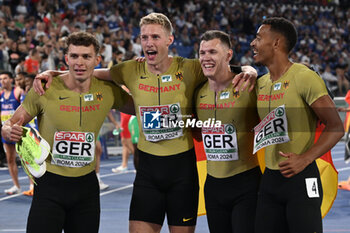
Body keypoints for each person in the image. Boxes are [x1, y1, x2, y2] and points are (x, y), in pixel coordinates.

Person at [33, 13, 257, 233]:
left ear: (169, 40)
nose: (149, 42)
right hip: (148, 171)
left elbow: (222, 68)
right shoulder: (129, 69)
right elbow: (86, 71)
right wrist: (53, 72)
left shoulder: (191, 67)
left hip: (183, 172)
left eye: (155, 37)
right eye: (144, 37)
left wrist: (249, 69)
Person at [1, 31, 133, 233]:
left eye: (86, 57)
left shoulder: (107, 90)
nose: (79, 62)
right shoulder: (44, 89)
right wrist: (8, 131)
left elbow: (143, 106)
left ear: (97, 59)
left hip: (86, 189)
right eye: (74, 56)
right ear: (66, 59)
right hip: (49, 187)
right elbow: (10, 124)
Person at [251, 17, 344, 233]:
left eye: (258, 38)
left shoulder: (304, 77)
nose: (252, 43)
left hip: (302, 179)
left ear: (276, 43)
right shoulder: (260, 84)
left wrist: (305, 158)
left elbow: (335, 126)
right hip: (270, 181)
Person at [195, 30, 261, 233]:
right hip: (213, 187)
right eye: (202, 52)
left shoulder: (248, 85)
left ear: (228, 55)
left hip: (246, 184)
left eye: (212, 52)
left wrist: (251, 70)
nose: (206, 58)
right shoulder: (197, 92)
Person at [0, 71, 23, 195]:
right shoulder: (1, 94)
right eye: (1, 79)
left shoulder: (17, 91)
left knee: (26, 159)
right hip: (6, 131)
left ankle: (32, 185)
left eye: (5, 78)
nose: (2, 81)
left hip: (19, 130)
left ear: (11, 80)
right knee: (10, 159)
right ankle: (16, 186)